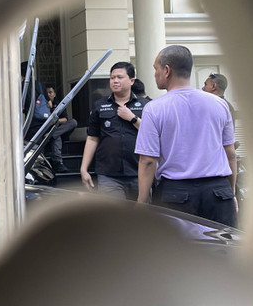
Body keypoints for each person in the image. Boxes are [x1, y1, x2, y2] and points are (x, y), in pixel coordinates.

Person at [135, 45, 237, 226]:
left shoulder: (154, 108)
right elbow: (230, 153)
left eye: (155, 68)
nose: (154, 73)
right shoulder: (219, 104)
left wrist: (142, 203)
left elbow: (148, 161)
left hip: (176, 195)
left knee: (178, 253)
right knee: (222, 252)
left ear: (166, 70)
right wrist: (231, 193)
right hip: (218, 192)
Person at [79, 62, 149, 200]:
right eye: (112, 78)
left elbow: (151, 134)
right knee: (114, 218)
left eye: (119, 77)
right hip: (109, 174)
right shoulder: (99, 105)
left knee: (142, 217)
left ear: (131, 80)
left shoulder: (145, 105)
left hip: (139, 172)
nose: (115, 81)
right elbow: (92, 138)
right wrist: (83, 168)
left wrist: (133, 118)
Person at [45, 85, 78, 173]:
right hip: (48, 132)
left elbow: (65, 119)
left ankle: (51, 135)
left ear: (54, 94)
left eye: (50, 92)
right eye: (47, 93)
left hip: (59, 131)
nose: (49, 95)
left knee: (73, 122)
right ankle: (58, 163)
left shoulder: (59, 104)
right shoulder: (42, 105)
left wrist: (55, 121)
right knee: (56, 137)